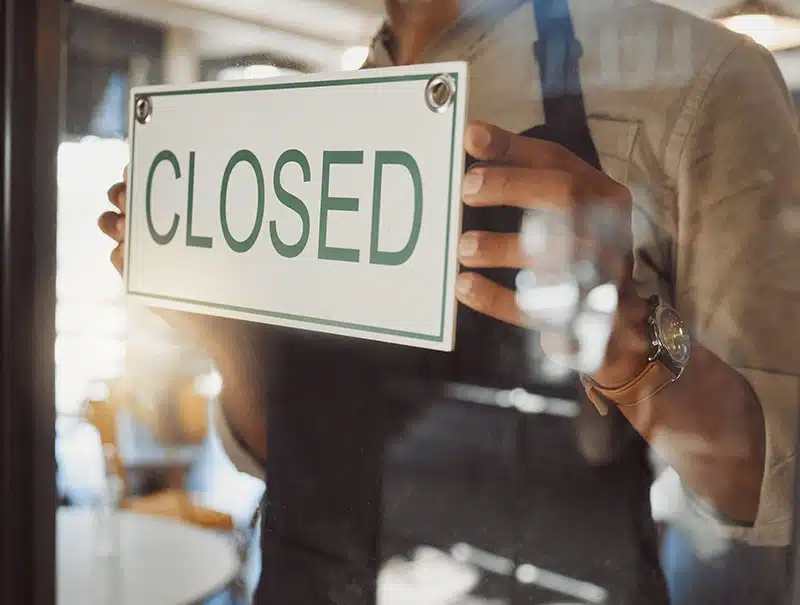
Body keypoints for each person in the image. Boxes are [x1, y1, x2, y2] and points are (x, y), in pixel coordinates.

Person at [99, 0, 800, 603]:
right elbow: (288, 451)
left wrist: (622, 336)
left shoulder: (700, 82)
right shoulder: (318, 124)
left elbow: (764, 489)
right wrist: (228, 336)